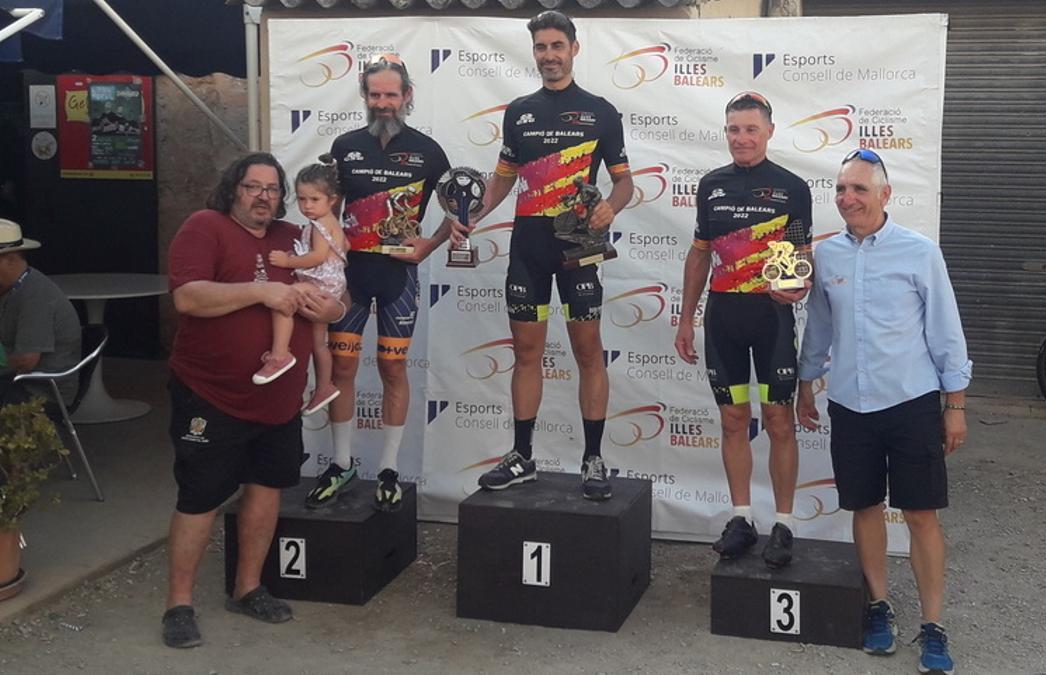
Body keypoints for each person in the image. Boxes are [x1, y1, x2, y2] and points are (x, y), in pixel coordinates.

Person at [794, 149, 970, 674]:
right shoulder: (827, 256)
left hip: (911, 403)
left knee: (920, 514)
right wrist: (806, 383)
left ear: (885, 195)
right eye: (841, 189)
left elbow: (946, 330)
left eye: (860, 189)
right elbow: (819, 326)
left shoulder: (920, 253)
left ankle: (933, 625)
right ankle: (879, 606)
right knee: (865, 507)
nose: (848, 198)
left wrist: (956, 405)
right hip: (851, 405)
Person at [161, 153, 344, 649]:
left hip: (279, 399)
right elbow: (188, 297)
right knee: (199, 497)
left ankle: (248, 588)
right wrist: (261, 292)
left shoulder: (295, 235)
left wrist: (329, 307)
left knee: (267, 489)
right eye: (253, 186)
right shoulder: (204, 227)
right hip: (210, 394)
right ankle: (179, 605)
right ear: (233, 188)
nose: (264, 196)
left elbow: (336, 294)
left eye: (272, 188)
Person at [461, 10, 632, 500]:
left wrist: (611, 207)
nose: (549, 55)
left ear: (574, 48)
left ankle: (593, 459)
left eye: (557, 45)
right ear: (534, 52)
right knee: (526, 354)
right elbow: (502, 178)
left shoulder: (601, 112)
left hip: (579, 248)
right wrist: (469, 214)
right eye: (541, 47)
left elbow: (624, 183)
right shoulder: (519, 112)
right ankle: (522, 456)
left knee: (588, 352)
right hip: (529, 250)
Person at [673, 92, 813, 568]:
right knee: (733, 419)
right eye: (734, 129)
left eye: (751, 129)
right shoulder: (712, 186)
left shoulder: (792, 188)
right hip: (723, 319)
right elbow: (699, 255)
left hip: (771, 319)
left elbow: (802, 256)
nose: (742, 138)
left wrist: (799, 284)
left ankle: (785, 524)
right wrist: (686, 318)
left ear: (769, 132)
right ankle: (741, 519)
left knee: (778, 421)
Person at [309, 55, 454, 512]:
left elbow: (460, 207)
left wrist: (430, 245)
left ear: (407, 96)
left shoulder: (428, 151)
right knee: (342, 368)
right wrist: (323, 258)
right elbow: (328, 211)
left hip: (398, 279)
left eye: (392, 94)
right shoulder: (345, 146)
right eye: (375, 95)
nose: (383, 103)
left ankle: (389, 468)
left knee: (393, 369)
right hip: (351, 278)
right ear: (365, 96)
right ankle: (341, 463)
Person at [265, 159, 348, 416]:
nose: (307, 206)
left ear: (332, 200)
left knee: (283, 299)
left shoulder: (320, 226)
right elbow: (343, 248)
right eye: (302, 199)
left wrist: (287, 261)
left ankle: (280, 355)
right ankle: (324, 386)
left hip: (323, 284)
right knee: (318, 343)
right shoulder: (331, 223)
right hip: (331, 285)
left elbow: (317, 257)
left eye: (314, 199)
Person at [0, 219, 80, 408]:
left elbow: (26, 361)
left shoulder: (35, 294)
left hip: (41, 392)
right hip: (18, 382)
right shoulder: (12, 288)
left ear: (10, 260)